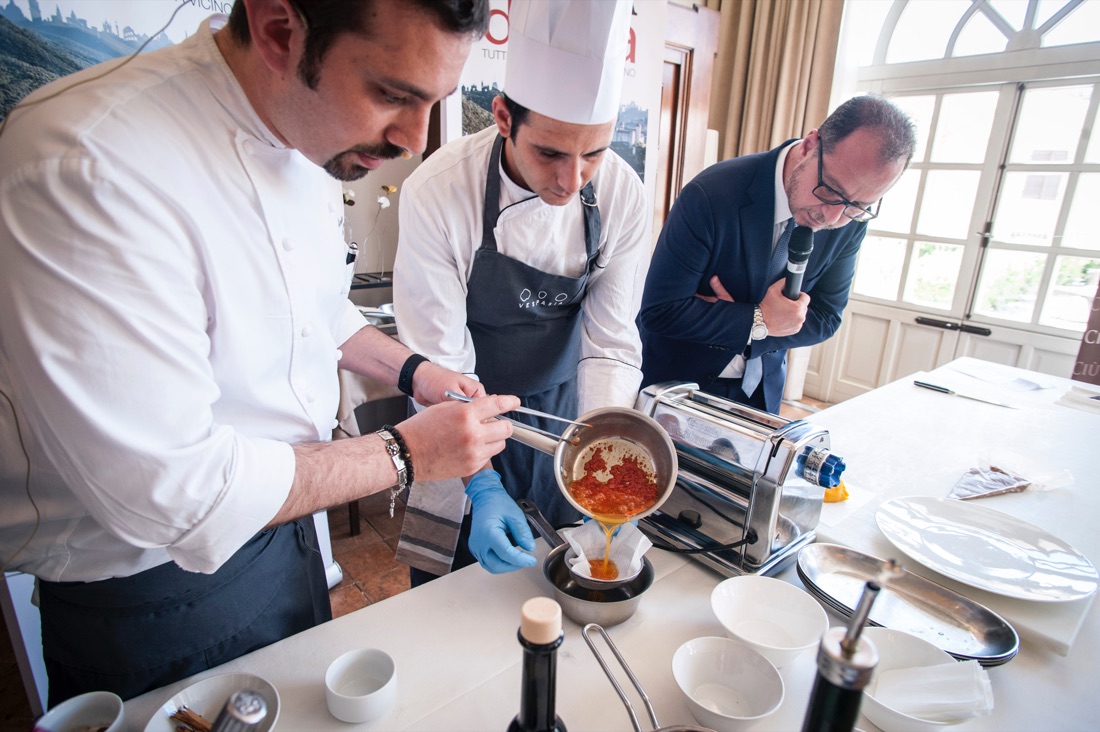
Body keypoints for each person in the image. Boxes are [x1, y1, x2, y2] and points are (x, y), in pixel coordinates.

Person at [0, 0, 519, 706]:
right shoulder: (87, 161)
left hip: (288, 538)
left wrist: (416, 373)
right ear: (279, 30)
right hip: (150, 595)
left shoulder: (307, 141)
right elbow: (173, 494)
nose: (411, 137)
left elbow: (315, 313)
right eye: (393, 95)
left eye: (434, 102)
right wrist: (403, 454)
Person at [393, 0, 648, 581]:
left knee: (556, 578)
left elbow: (610, 341)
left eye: (595, 153)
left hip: (565, 417)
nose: (571, 179)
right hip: (456, 414)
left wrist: (602, 450)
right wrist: (479, 484)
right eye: (551, 152)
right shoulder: (438, 191)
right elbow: (436, 357)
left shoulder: (622, 195)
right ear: (504, 117)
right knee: (452, 599)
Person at [638, 95, 916, 414]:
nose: (832, 216)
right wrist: (760, 318)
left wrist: (758, 327)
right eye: (830, 190)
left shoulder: (850, 220)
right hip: (675, 389)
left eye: (858, 206)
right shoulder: (712, 194)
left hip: (762, 394)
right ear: (811, 145)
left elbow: (825, 317)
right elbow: (660, 311)